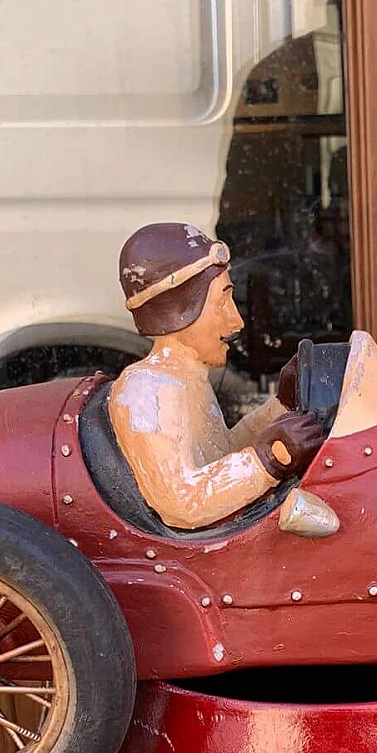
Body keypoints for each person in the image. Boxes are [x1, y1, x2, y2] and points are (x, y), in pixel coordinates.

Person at [109, 223, 325, 531]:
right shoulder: (146, 391)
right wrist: (270, 459)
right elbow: (180, 502)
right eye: (221, 303)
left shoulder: (186, 379)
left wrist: (281, 406)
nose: (236, 322)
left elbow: (219, 454)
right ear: (181, 310)